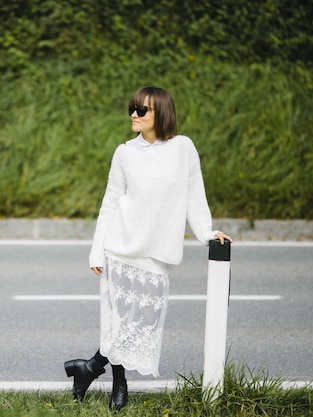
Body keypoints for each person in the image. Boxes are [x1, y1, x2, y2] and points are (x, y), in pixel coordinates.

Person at [64, 86, 233, 411]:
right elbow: (110, 202)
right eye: (132, 109)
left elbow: (195, 195)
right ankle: (119, 383)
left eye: (142, 110)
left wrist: (207, 232)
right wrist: (97, 249)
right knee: (117, 323)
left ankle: (87, 369)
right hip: (120, 249)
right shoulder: (125, 152)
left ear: (161, 114)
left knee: (140, 323)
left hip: (156, 255)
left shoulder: (183, 148)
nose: (134, 115)